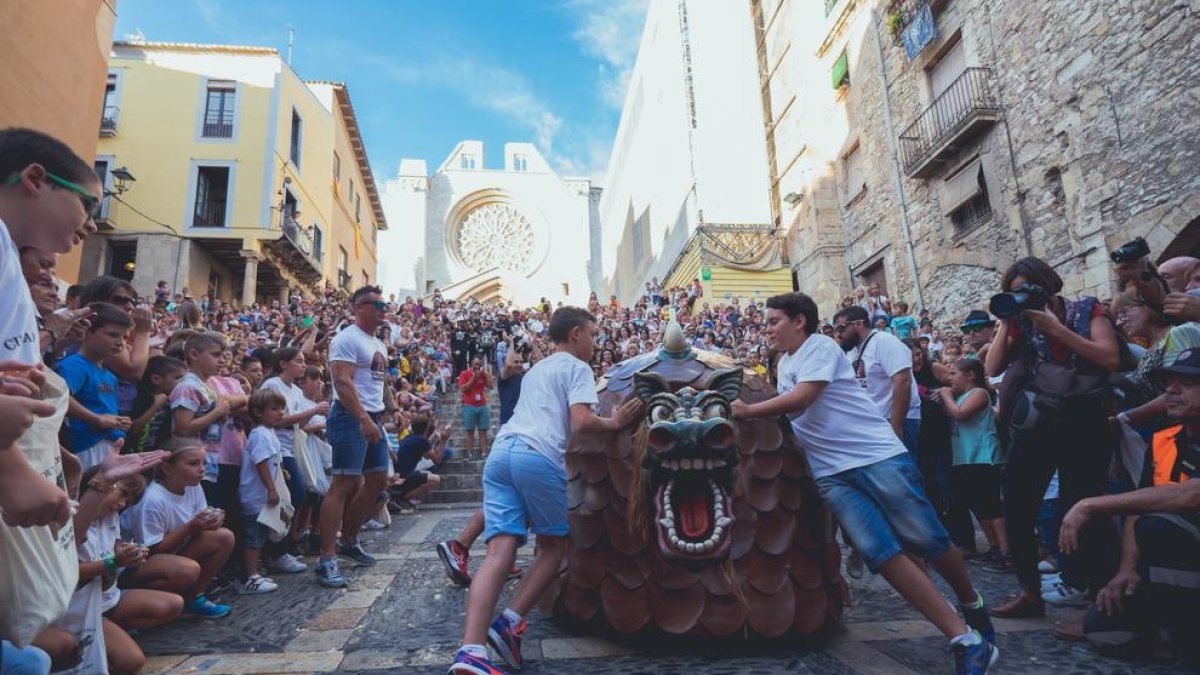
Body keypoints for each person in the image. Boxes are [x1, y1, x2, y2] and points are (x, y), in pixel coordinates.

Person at [732, 292, 997, 675]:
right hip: (831, 473)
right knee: (881, 554)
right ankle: (965, 640)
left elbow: (803, 398)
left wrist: (747, 411)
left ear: (799, 321)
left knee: (927, 539)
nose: (767, 329)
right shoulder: (785, 362)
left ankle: (972, 603)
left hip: (876, 456)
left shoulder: (820, 346)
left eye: (774, 321)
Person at [447, 307, 643, 674]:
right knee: (553, 547)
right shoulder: (578, 368)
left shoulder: (537, 369)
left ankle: (470, 651)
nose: (595, 341)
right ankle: (509, 622)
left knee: (498, 553)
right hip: (537, 456)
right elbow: (581, 422)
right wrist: (616, 421)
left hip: (501, 453)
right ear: (576, 334)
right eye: (592, 333)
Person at [985, 257, 1123, 618]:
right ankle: (1029, 592)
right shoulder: (1021, 324)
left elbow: (1109, 358)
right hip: (1040, 424)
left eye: (1026, 290)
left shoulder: (1085, 310)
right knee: (1016, 502)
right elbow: (991, 367)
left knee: (1082, 506)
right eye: (1013, 292)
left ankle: (1096, 596)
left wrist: (1056, 329)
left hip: (1085, 422)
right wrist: (1006, 318)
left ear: (1047, 285)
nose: (1021, 297)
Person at [1057, 348, 1199, 667]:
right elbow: (1140, 503)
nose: (1171, 390)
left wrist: (1090, 505)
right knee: (1107, 632)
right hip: (1180, 554)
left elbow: (1191, 495)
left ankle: (1185, 638)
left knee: (1160, 528)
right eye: (1169, 382)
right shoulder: (1165, 438)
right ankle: (1164, 623)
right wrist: (1126, 569)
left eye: (1188, 383)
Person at [315, 286, 391, 588]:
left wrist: (390, 409)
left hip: (372, 417)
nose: (383, 309)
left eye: (384, 304)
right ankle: (326, 558)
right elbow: (342, 382)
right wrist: (362, 418)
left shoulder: (378, 343)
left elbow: (379, 381)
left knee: (378, 481)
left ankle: (348, 540)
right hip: (350, 417)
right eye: (377, 304)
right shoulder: (347, 338)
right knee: (344, 483)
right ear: (359, 307)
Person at [123, 439, 234, 619]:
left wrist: (210, 522)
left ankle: (194, 597)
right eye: (193, 463)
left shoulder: (193, 486)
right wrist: (191, 527)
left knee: (223, 537)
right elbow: (151, 550)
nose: (202, 469)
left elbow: (200, 525)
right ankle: (140, 603)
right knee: (187, 570)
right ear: (167, 469)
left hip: (174, 551)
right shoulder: (153, 500)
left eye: (203, 463)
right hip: (137, 564)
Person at [261, 347, 327, 572]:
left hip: (292, 446)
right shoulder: (273, 385)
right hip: (277, 446)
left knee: (299, 496)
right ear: (283, 364)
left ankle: (283, 546)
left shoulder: (296, 392)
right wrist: (314, 410)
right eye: (298, 361)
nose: (303, 365)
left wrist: (313, 414)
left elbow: (298, 423)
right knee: (294, 494)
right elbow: (278, 420)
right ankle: (276, 549)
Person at [939, 358, 1009, 569]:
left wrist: (946, 396)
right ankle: (993, 546)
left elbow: (960, 414)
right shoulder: (960, 396)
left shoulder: (979, 393)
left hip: (983, 456)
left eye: (954, 374)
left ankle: (1006, 551)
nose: (950, 379)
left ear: (970, 375)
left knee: (991, 505)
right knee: (978, 505)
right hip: (965, 458)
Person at [56, 303, 134, 469]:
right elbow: (60, 396)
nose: (120, 342)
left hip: (108, 444)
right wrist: (96, 419)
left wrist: (118, 421)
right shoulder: (74, 365)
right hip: (85, 446)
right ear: (88, 332)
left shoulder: (110, 375)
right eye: (112, 335)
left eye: (124, 337)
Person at [833, 305, 921, 453]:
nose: (838, 334)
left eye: (841, 328)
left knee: (902, 466)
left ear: (859, 323)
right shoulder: (853, 352)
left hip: (899, 419)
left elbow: (903, 381)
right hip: (875, 423)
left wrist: (896, 428)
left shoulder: (884, 341)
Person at [170, 333, 234, 506]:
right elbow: (183, 429)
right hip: (190, 463)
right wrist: (217, 412)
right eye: (216, 355)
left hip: (207, 461)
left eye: (223, 356)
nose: (222, 361)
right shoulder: (187, 386)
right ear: (194, 354)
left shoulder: (205, 386)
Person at [238, 389, 289, 594]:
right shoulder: (260, 434)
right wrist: (271, 488)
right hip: (257, 496)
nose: (281, 413)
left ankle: (255, 571)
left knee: (260, 535)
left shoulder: (269, 432)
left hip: (263, 495)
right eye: (275, 409)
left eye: (282, 408)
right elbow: (260, 462)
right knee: (254, 537)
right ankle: (250, 576)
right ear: (259, 412)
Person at [458, 356, 493, 460]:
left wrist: (488, 374)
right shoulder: (464, 373)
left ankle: (484, 453)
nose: (477, 366)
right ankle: (469, 454)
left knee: (483, 430)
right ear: (472, 363)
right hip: (469, 405)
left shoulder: (483, 374)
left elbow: (490, 386)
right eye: (476, 364)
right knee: (470, 431)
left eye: (479, 365)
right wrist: (474, 378)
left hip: (482, 404)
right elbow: (462, 389)